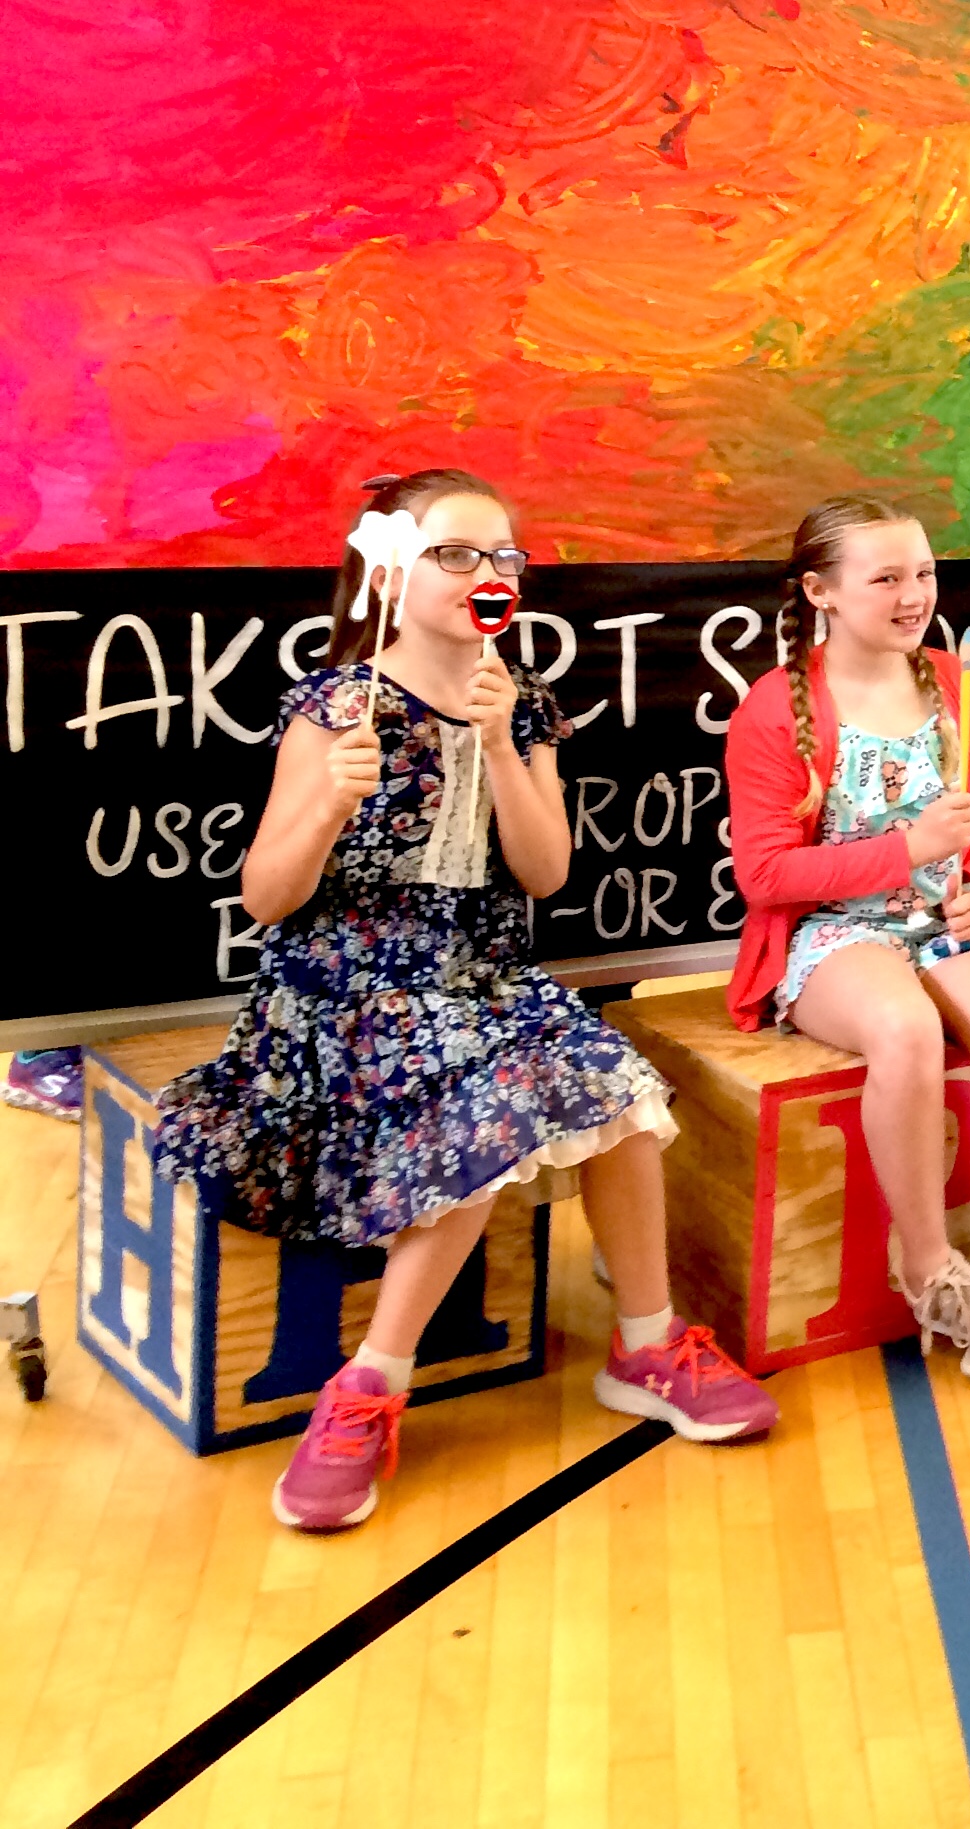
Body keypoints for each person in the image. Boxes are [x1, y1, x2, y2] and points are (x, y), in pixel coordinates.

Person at [156, 469, 776, 1532]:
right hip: (345, 983)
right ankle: (370, 1386)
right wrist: (328, 803)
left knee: (620, 1092)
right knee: (488, 1108)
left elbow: (543, 873)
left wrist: (498, 746)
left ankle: (645, 1342)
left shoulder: (519, 703)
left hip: (479, 973)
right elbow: (267, 894)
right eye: (456, 552)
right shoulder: (338, 703)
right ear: (391, 570)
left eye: (502, 555)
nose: (487, 572)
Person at [722, 496, 970, 1380]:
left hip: (941, 920)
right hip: (835, 934)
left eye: (924, 573)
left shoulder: (956, 685)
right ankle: (931, 1269)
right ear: (819, 591)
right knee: (905, 1031)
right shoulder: (773, 710)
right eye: (887, 578)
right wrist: (904, 850)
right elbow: (766, 877)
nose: (915, 594)